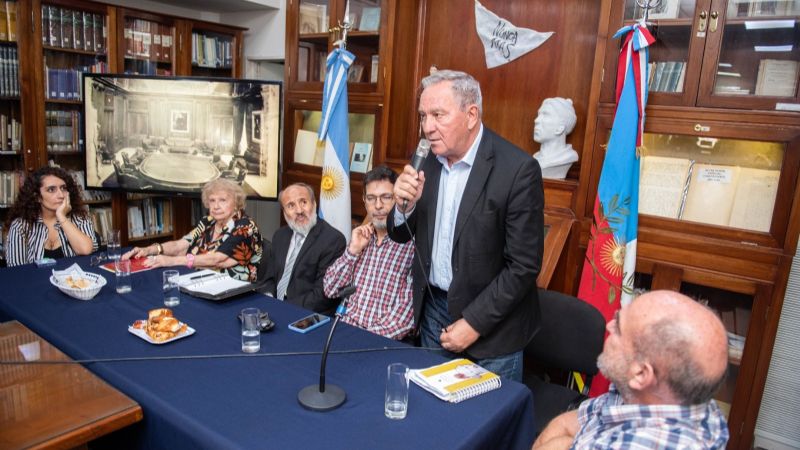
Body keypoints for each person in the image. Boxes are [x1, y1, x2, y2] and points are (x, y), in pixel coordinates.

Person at [389, 69, 544, 381]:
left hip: (494, 328)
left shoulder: (518, 170)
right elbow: (400, 234)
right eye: (423, 116)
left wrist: (474, 323)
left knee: (490, 412)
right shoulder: (425, 159)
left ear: (471, 114)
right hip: (434, 313)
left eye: (438, 115)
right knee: (430, 406)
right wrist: (404, 207)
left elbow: (523, 265)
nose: (427, 127)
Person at [533, 290, 730, 450]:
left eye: (619, 329)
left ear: (641, 374)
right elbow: (567, 423)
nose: (609, 326)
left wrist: (565, 443)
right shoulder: (650, 393)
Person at [323, 166, 415, 340]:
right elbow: (330, 289)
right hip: (343, 331)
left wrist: (362, 339)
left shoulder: (411, 245)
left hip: (380, 342)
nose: (378, 206)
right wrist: (352, 252)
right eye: (371, 198)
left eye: (386, 197)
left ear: (398, 199)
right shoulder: (361, 238)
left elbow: (402, 319)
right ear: (364, 202)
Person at [122, 178, 262, 282]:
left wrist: (170, 261)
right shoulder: (208, 222)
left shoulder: (245, 227)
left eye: (222, 200)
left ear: (236, 203)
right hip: (200, 281)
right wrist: (149, 250)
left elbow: (217, 260)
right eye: (212, 200)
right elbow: (180, 245)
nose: (216, 206)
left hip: (233, 291)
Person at [260, 183, 346, 315]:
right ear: (284, 212)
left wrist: (281, 308)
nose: (299, 210)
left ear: (314, 204)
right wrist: (269, 298)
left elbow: (322, 296)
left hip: (308, 314)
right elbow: (270, 277)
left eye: (304, 202)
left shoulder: (333, 240)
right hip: (275, 307)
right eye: (291, 205)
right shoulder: (280, 235)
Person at [4, 167, 98, 266]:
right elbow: (16, 268)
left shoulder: (80, 218)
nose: (61, 195)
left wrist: (61, 216)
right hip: (34, 276)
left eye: (63, 188)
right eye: (51, 190)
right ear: (37, 197)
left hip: (73, 276)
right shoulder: (20, 226)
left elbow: (85, 249)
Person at [532, 97, 579, 179]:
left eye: (546, 115)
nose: (536, 120)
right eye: (539, 115)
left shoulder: (568, 157)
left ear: (560, 128)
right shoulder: (534, 159)